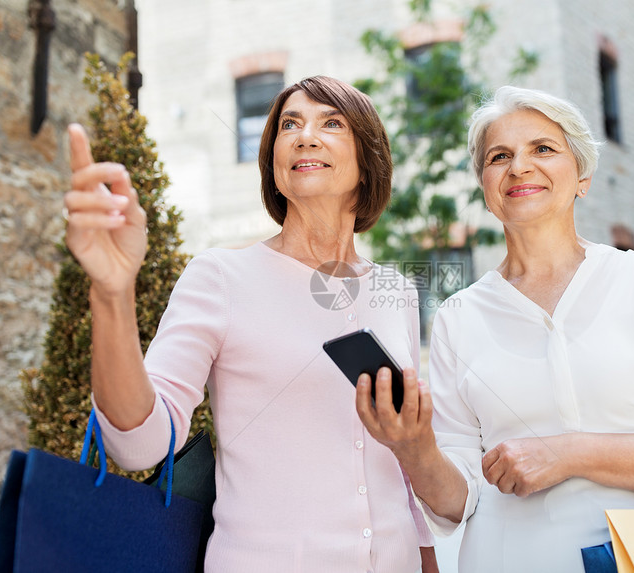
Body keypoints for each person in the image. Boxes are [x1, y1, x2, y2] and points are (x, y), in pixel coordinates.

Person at [355, 86, 634, 571]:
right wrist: (413, 449)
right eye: (500, 156)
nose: (520, 166)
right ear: (486, 186)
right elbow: (457, 502)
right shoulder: (459, 316)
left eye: (542, 149)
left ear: (581, 175)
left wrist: (568, 454)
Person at [64, 75, 437, 572]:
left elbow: (405, 477)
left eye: (331, 123)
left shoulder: (398, 292)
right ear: (274, 165)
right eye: (289, 124)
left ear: (369, 163)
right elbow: (139, 444)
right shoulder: (219, 276)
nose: (305, 135)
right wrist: (112, 294)